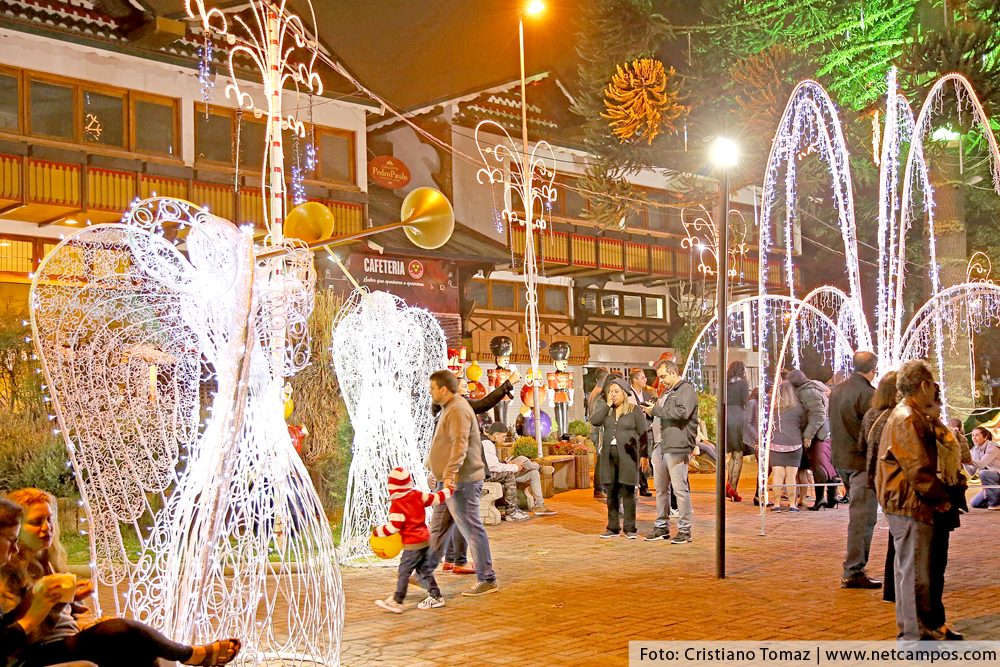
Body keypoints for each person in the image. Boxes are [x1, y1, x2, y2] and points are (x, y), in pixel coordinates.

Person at [1, 489, 241, 667]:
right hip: (37, 651)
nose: (47, 528)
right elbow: (20, 635)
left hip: (70, 640)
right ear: (18, 528)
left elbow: (73, 616)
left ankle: (187, 655)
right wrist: (54, 602)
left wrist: (76, 602)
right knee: (118, 630)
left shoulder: (50, 560)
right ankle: (190, 654)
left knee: (140, 654)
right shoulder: (9, 570)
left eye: (49, 519)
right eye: (35, 523)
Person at [876, 360, 952, 641]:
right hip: (909, 503)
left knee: (912, 570)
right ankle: (914, 633)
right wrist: (940, 499)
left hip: (905, 501)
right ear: (924, 385)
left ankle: (919, 627)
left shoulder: (907, 414)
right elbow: (917, 467)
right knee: (913, 572)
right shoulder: (907, 417)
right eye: (932, 385)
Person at [425, 369, 498, 597]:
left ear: (443, 389)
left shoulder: (457, 409)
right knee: (437, 531)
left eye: (432, 388)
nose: (430, 392)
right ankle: (422, 572)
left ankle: (487, 578)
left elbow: (460, 444)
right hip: (448, 482)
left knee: (472, 530)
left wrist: (448, 474)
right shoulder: (450, 408)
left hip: (461, 482)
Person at [830, 350, 881, 589]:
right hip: (861, 462)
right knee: (863, 517)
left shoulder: (837, 389)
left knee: (859, 514)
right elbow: (872, 432)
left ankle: (854, 568)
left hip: (842, 460)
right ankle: (854, 570)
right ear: (873, 368)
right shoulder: (869, 394)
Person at [372, 467, 453, 613]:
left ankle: (397, 601)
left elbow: (394, 527)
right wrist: (447, 491)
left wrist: (378, 531)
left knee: (404, 572)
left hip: (412, 544)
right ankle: (436, 596)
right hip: (425, 541)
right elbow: (435, 499)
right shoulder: (417, 495)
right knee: (424, 570)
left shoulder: (397, 505)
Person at [924, 385, 967, 640]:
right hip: (929, 504)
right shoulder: (914, 424)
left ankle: (934, 621)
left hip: (943, 499)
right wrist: (940, 500)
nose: (940, 406)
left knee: (936, 564)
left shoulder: (939, 428)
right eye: (936, 401)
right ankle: (926, 623)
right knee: (928, 566)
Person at [642, 360, 698, 544]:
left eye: (663, 376)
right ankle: (662, 527)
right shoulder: (667, 392)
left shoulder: (686, 390)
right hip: (661, 445)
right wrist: (652, 411)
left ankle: (684, 530)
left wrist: (656, 410)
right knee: (660, 489)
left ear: (674, 373)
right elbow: (667, 413)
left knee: (679, 489)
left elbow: (682, 413)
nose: (661, 380)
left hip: (676, 445)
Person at [590, 377, 647, 539]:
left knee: (628, 492)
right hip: (609, 455)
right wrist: (607, 405)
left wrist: (644, 456)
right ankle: (613, 527)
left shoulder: (635, 411)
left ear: (624, 393)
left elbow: (643, 435)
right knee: (612, 493)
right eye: (610, 392)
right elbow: (595, 421)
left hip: (628, 456)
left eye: (616, 391)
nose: (613, 395)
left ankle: (630, 529)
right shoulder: (607, 410)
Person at [482, 422, 555, 520]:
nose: (504, 439)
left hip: (493, 471)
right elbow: (493, 467)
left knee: (533, 474)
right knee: (521, 459)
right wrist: (514, 467)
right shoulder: (486, 444)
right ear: (496, 435)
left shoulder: (489, 442)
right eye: (503, 437)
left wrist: (506, 463)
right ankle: (511, 512)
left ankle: (540, 506)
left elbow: (492, 463)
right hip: (486, 475)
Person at [787, 369, 830, 507]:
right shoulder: (812, 389)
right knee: (820, 465)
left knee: (817, 465)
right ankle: (828, 497)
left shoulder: (808, 393)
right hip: (820, 432)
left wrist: (808, 435)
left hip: (817, 434)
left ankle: (820, 499)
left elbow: (818, 415)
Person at [768, 381, 806, 512]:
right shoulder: (799, 408)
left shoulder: (773, 408)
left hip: (776, 443)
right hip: (794, 444)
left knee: (777, 474)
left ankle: (776, 504)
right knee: (791, 475)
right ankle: (792, 504)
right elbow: (803, 424)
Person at [724, 361, 751, 502]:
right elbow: (746, 401)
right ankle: (733, 487)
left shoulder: (725, 383)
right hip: (739, 417)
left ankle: (728, 486)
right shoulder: (743, 383)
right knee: (738, 453)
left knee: (732, 454)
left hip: (726, 417)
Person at [628, 369, 654, 497]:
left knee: (645, 457)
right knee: (634, 458)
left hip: (646, 430)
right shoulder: (628, 394)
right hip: (633, 431)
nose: (645, 380)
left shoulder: (648, 395)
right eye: (643, 378)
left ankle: (644, 486)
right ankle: (638, 485)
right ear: (635, 380)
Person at [587, 368, 610, 500]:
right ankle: (599, 488)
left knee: (601, 460)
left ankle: (600, 488)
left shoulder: (594, 391)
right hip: (598, 430)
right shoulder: (600, 394)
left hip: (595, 430)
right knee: (601, 460)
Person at [967, 427, 1000, 509]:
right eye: (972, 435)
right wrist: (963, 462)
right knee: (975, 503)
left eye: (977, 435)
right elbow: (971, 472)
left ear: (985, 437)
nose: (974, 438)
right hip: (990, 482)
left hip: (998, 476)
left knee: (983, 473)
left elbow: (982, 464)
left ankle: (995, 504)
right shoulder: (974, 450)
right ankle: (996, 498)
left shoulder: (993, 447)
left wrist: (967, 460)